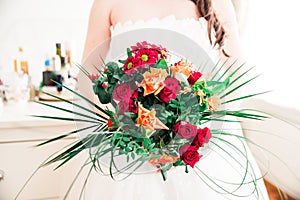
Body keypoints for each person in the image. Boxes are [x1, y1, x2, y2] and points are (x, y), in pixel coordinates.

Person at [76, 0, 269, 199]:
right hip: (129, 147)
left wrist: (196, 128)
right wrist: (127, 128)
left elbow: (238, 74)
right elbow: (88, 73)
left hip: (204, 143)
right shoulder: (106, 3)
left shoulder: (217, 2)